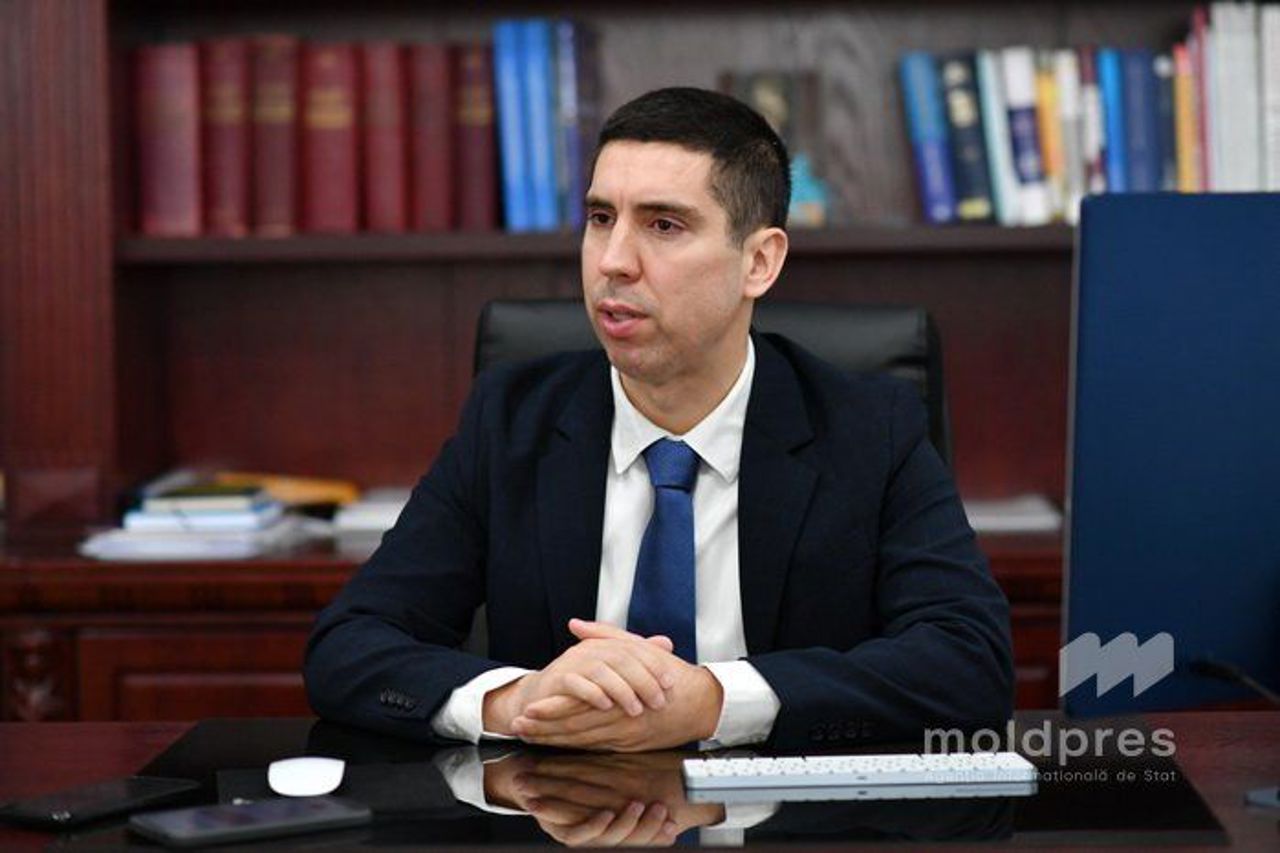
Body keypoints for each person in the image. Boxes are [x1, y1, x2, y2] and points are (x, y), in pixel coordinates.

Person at [305, 87, 1013, 754]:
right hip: (553, 811)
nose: (613, 262)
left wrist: (714, 701)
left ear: (759, 262)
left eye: (664, 225)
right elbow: (350, 644)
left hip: (789, 819)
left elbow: (968, 662)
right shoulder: (512, 420)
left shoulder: (869, 428)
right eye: (600, 219)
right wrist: (517, 698)